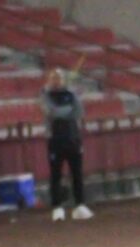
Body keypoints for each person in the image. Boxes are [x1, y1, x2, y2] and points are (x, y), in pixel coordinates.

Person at [42, 69, 93, 221]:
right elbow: (53, 112)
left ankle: (80, 205)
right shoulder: (45, 95)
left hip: (73, 138)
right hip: (55, 139)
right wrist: (68, 109)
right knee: (56, 175)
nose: (57, 81)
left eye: (59, 78)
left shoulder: (71, 95)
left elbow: (79, 112)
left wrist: (72, 100)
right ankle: (57, 208)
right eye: (54, 78)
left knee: (77, 173)